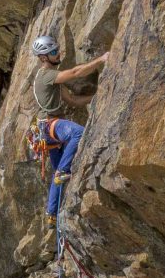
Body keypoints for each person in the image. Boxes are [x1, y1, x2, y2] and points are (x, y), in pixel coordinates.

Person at [29, 35, 109, 225]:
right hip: (49, 126)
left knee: (58, 176)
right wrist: (101, 59)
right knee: (78, 133)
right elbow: (74, 73)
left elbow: (73, 101)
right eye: (54, 52)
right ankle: (62, 171)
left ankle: (52, 215)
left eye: (57, 50)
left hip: (47, 130)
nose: (58, 54)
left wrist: (99, 95)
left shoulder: (52, 80)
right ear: (43, 58)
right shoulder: (46, 75)